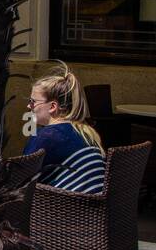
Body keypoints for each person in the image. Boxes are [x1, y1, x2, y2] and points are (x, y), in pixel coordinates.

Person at [24, 63, 106, 194]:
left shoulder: (46, 136)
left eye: (33, 101)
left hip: (62, 211)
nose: (29, 106)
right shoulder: (86, 132)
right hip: (95, 210)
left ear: (52, 107)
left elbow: (22, 178)